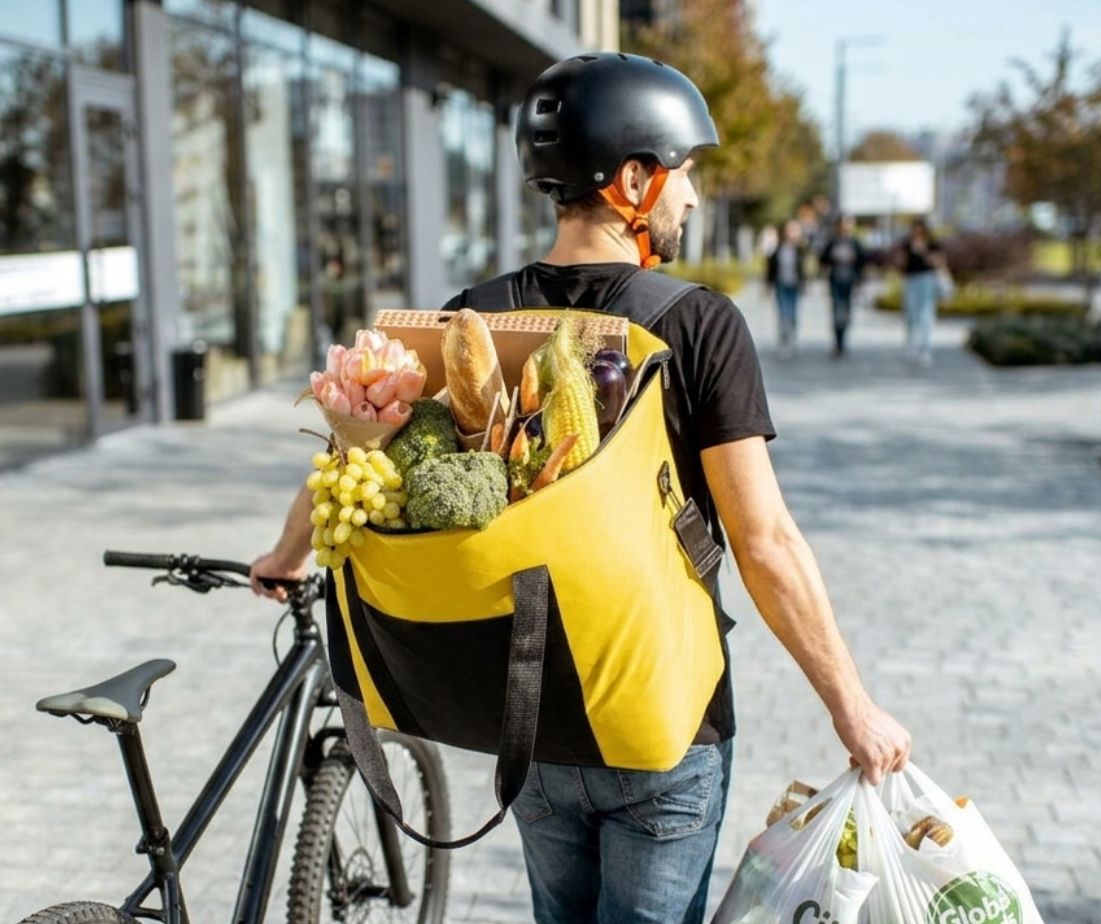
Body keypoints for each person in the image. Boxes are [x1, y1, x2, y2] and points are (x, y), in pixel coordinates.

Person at [249, 53, 911, 924]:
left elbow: (353, 453)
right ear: (633, 178)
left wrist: (287, 555)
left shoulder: (471, 321)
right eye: (685, 174)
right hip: (659, 722)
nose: (693, 199)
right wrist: (852, 708)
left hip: (529, 712)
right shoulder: (699, 324)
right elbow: (765, 542)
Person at [897, 217, 944, 366]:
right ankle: (911, 344)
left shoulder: (932, 244)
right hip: (911, 280)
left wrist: (923, 252)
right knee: (910, 313)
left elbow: (939, 262)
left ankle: (925, 347)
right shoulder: (906, 244)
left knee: (926, 314)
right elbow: (900, 264)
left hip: (927, 279)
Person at [818, 215, 865, 357]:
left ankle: (843, 339)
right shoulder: (832, 243)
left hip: (849, 281)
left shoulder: (855, 243)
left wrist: (859, 278)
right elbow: (822, 259)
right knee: (837, 311)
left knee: (846, 312)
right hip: (835, 281)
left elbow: (862, 261)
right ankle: (838, 342)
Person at [765, 219, 806, 356]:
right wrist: (767, 284)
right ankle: (783, 339)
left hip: (794, 284)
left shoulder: (800, 250)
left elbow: (803, 268)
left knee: (793, 313)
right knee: (783, 313)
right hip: (781, 284)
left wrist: (804, 283)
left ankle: (791, 337)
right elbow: (770, 268)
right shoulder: (778, 249)